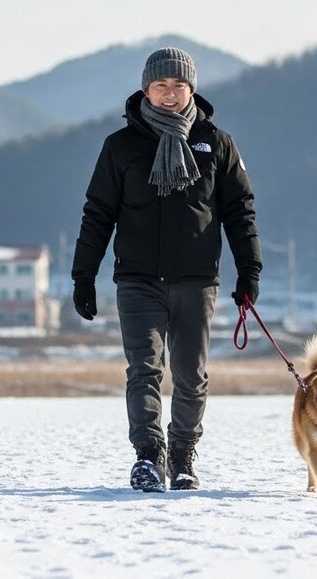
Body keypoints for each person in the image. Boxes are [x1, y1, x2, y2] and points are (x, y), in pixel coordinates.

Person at [71, 47, 262, 492]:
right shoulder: (120, 147)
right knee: (144, 369)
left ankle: (182, 457)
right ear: (146, 89)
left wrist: (248, 271)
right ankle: (148, 457)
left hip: (197, 280)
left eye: (179, 86)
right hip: (137, 279)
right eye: (161, 86)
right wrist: (84, 275)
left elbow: (240, 211)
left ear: (192, 89)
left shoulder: (216, 143)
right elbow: (97, 213)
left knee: (191, 374)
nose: (171, 95)